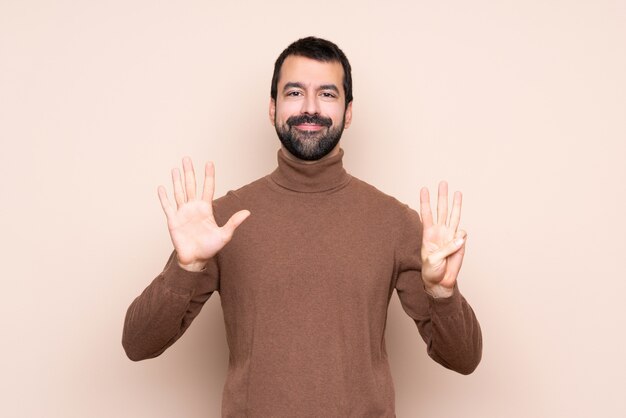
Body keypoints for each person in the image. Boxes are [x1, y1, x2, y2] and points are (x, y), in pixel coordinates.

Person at [122, 36, 482, 417]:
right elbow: (138, 344)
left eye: (327, 94)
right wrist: (186, 269)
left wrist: (443, 294)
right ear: (273, 107)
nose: (310, 108)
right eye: (295, 92)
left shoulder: (394, 221)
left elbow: (463, 358)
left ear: (348, 111)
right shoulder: (222, 221)